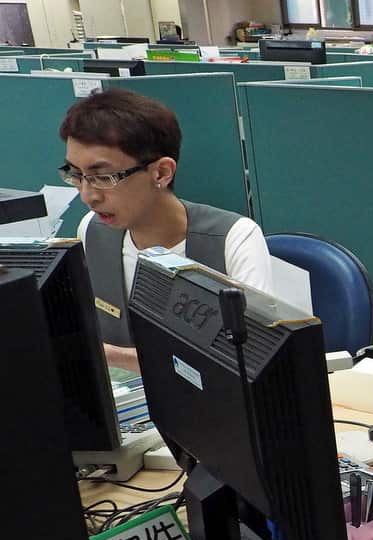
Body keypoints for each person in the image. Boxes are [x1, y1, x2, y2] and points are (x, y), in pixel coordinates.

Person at [60, 89, 273, 373]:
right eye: (76, 175)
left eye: (103, 177)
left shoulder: (234, 239)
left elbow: (253, 364)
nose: (88, 196)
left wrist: (108, 355)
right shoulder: (93, 229)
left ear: (161, 173)